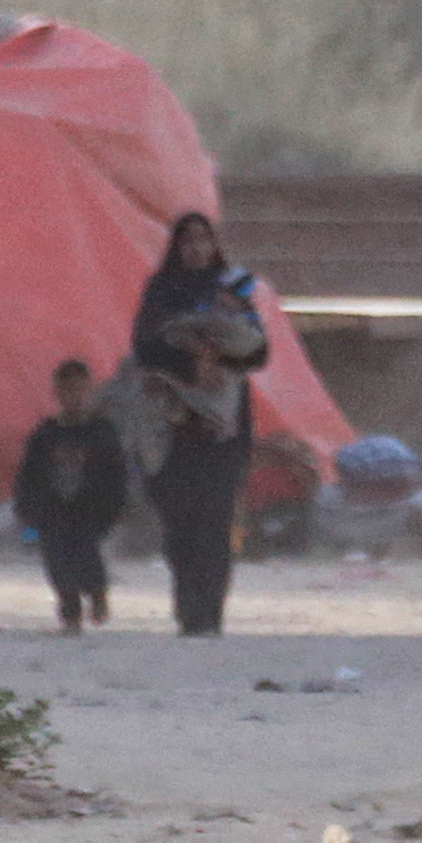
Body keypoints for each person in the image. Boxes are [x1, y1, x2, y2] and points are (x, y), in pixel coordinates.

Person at [132, 212, 275, 639]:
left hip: (223, 428)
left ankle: (208, 614)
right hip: (172, 426)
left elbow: (258, 352)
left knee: (215, 522)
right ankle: (186, 607)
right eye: (187, 241)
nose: (196, 249)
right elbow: (144, 348)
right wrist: (189, 363)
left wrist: (219, 361)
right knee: (179, 523)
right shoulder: (161, 292)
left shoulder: (231, 290)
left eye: (203, 240)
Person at [11, 358, 130, 633]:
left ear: (90, 391)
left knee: (87, 555)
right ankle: (70, 611)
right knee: (57, 561)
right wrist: (28, 508)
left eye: (80, 390)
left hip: (90, 510)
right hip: (54, 511)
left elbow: (116, 474)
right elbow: (29, 474)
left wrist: (114, 507)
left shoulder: (102, 432)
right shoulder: (46, 434)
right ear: (57, 393)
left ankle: (97, 593)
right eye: (67, 391)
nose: (74, 397)